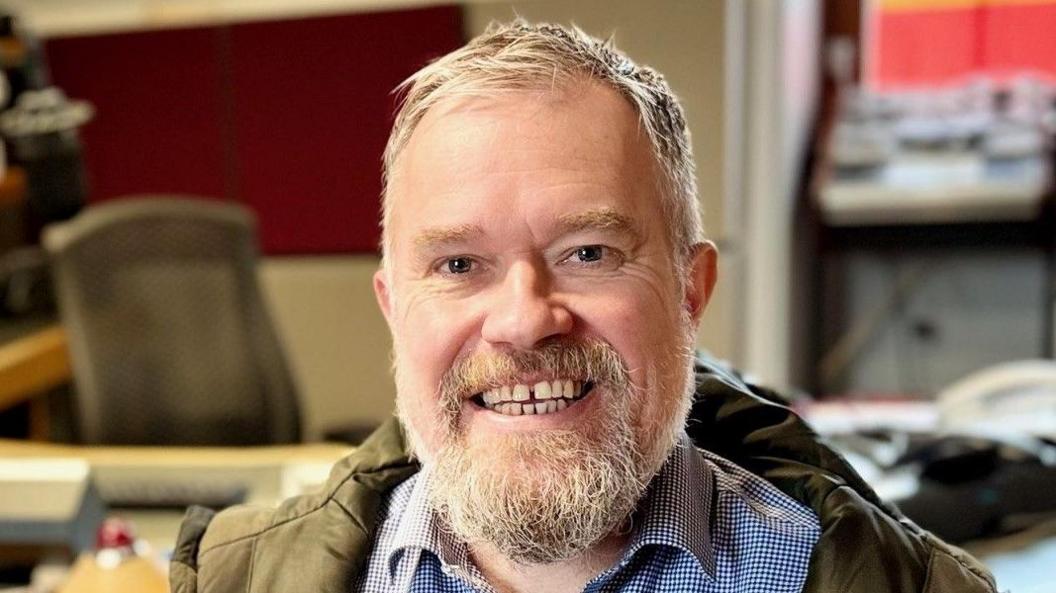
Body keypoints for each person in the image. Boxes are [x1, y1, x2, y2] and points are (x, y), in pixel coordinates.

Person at [171, 20, 996, 593]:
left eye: (588, 254)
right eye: (459, 263)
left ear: (689, 290)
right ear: (395, 308)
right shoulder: (235, 578)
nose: (526, 319)